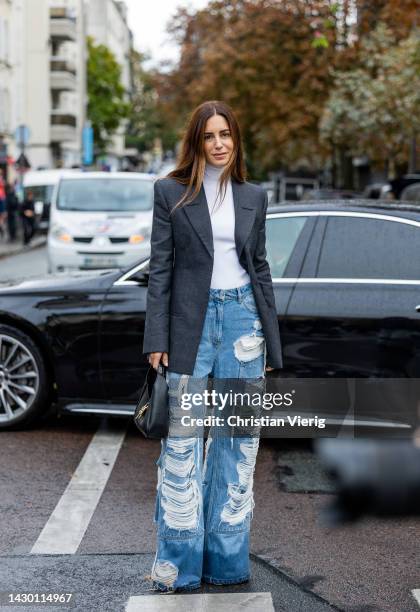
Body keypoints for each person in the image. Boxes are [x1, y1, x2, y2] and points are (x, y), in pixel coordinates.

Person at [143, 100, 283, 593]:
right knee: (182, 447)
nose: (219, 143)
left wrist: (271, 336)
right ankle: (178, 567)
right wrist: (156, 338)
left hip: (244, 320)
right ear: (196, 142)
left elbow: (259, 266)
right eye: (210, 136)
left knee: (237, 444)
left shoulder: (253, 196)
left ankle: (225, 563)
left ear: (236, 140)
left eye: (227, 134)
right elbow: (160, 269)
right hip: (189, 326)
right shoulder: (170, 193)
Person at [0, 169, 6, 240]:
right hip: (1, 198)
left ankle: (1, 225)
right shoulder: (1, 179)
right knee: (3, 215)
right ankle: (1, 225)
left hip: (2, 198)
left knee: (2, 216)